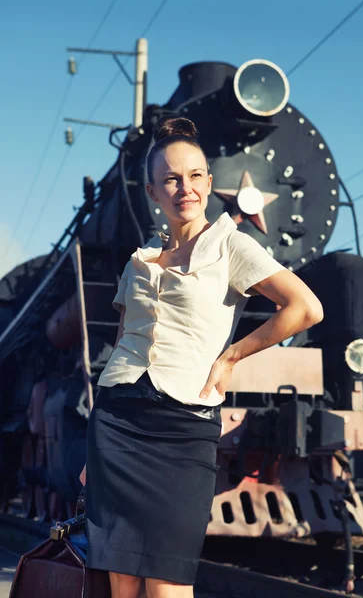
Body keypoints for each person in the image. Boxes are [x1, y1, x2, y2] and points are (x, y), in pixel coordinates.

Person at [80, 116, 323, 598]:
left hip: (183, 426)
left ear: (209, 183)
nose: (183, 188)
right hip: (116, 422)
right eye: (170, 178)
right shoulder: (141, 258)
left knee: (167, 586)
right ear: (153, 191)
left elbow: (305, 308)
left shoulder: (232, 245)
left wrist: (232, 356)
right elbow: (127, 340)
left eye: (194, 176)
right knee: (121, 586)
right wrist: (92, 450)